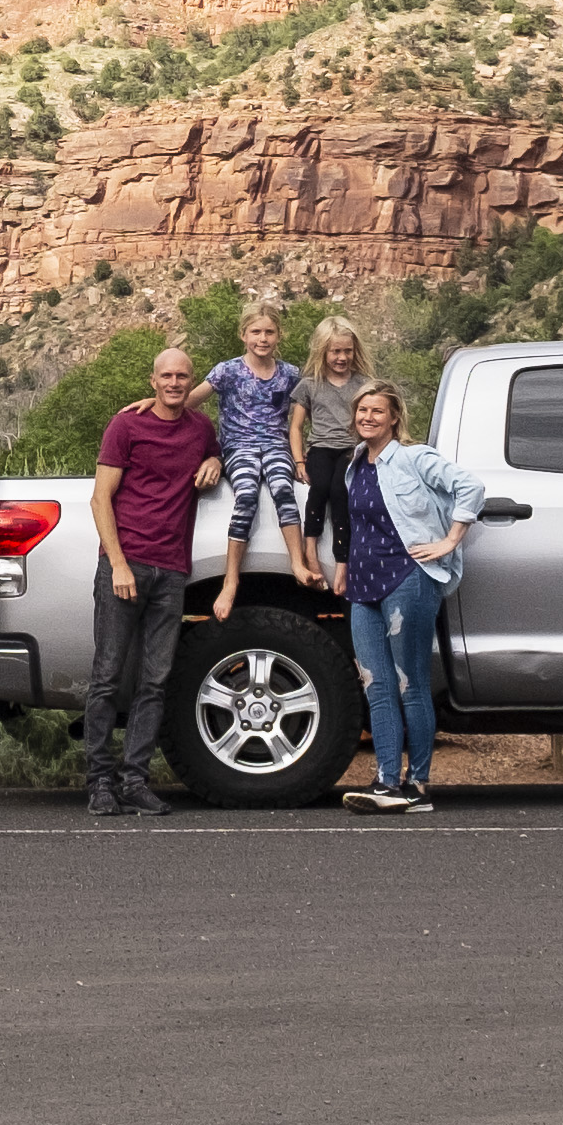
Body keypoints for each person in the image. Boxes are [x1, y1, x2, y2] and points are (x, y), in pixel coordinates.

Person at [336, 380, 486, 815]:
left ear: (394, 417)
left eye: (377, 411)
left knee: (410, 683)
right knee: (376, 684)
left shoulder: (414, 458)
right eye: (362, 410)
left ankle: (417, 785)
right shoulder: (356, 465)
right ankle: (386, 781)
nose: (367, 417)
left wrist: (449, 540)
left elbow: (470, 487)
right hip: (364, 588)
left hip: (408, 579)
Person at [85, 346, 221, 819]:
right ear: (153, 380)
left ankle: (135, 780)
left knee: (155, 682)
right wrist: (119, 565)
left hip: (173, 570)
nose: (175, 383)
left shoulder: (202, 429)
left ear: (191, 382)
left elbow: (215, 455)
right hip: (127, 566)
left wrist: (216, 463)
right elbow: (100, 499)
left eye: (183, 376)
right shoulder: (126, 426)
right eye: (166, 375)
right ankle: (100, 783)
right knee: (107, 677)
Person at [203, 303, 318, 621]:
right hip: (238, 447)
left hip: (275, 445)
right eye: (256, 331)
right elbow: (188, 399)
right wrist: (154, 399)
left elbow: (310, 408)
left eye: (269, 331)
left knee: (283, 488)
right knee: (248, 493)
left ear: (279, 335)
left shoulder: (291, 374)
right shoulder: (227, 371)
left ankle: (296, 561)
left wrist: (303, 456)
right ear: (243, 335)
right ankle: (231, 578)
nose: (262, 338)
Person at [293, 315, 374, 598]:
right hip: (321, 447)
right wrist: (299, 460)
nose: (342, 357)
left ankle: (342, 562)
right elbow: (296, 426)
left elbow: (373, 417)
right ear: (323, 352)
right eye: (335, 351)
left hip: (351, 448)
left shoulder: (364, 384)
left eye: (347, 351)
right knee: (321, 488)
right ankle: (310, 548)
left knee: (341, 491)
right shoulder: (309, 384)